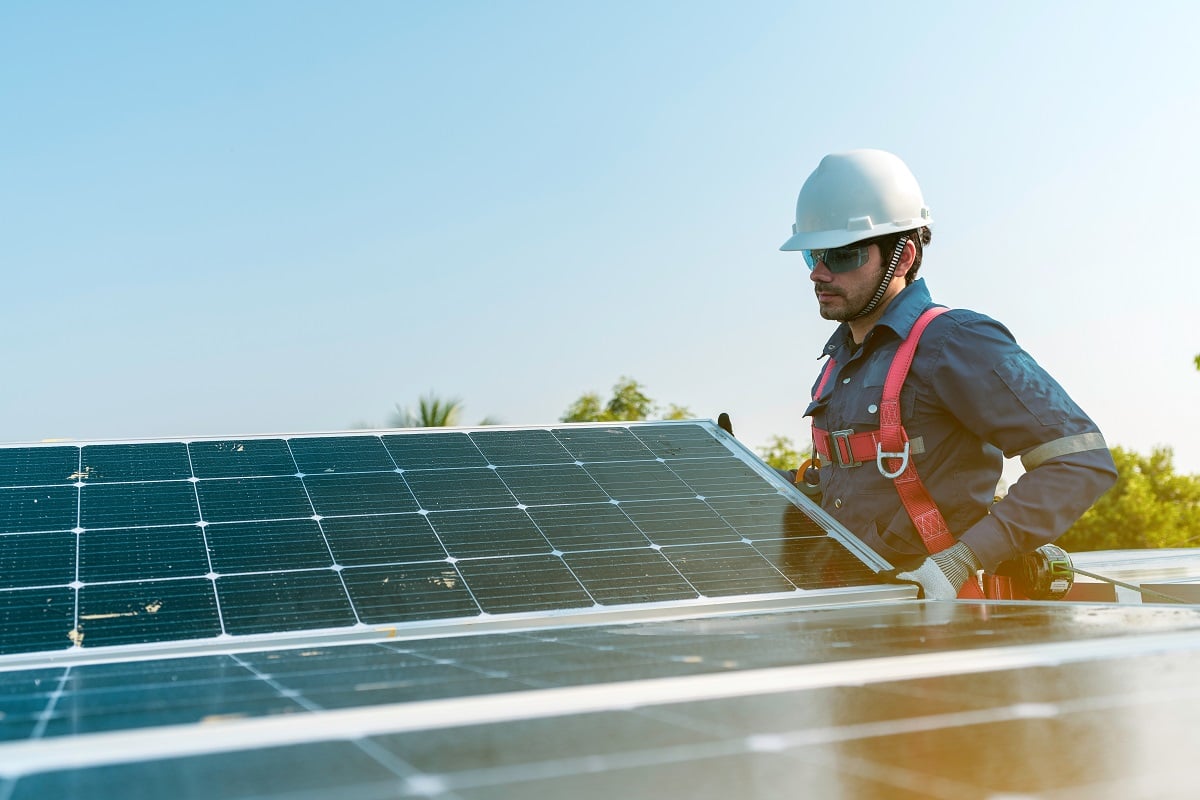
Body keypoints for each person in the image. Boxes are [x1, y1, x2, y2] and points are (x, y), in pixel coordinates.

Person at [779, 149, 1117, 599]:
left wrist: (962, 561)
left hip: (945, 624)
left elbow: (1080, 461)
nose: (818, 273)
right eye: (813, 255)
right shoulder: (840, 360)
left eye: (843, 256)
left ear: (901, 258)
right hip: (856, 613)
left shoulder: (954, 341)